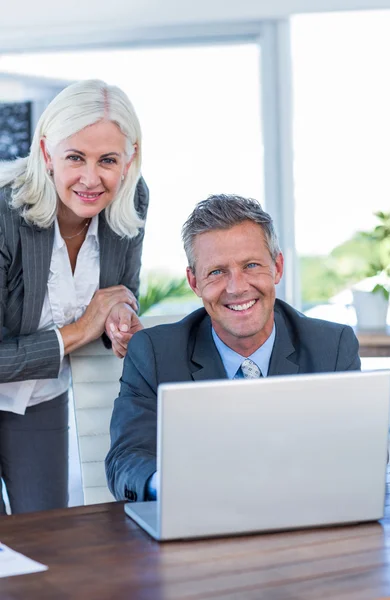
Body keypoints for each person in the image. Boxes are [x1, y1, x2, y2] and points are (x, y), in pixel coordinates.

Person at [106, 194, 360, 503]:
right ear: (194, 282)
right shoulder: (154, 353)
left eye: (251, 265)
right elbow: (126, 460)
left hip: (303, 517)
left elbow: (360, 453)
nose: (236, 287)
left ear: (277, 267)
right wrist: (175, 485)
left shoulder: (332, 347)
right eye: (216, 271)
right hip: (199, 523)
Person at [0, 79, 149, 514]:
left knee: (48, 534)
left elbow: (122, 290)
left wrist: (119, 317)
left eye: (107, 160)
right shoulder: (3, 213)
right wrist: (82, 328)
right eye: (74, 158)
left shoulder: (132, 198)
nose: (90, 178)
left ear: (130, 158)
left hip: (42, 397)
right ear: (46, 153)